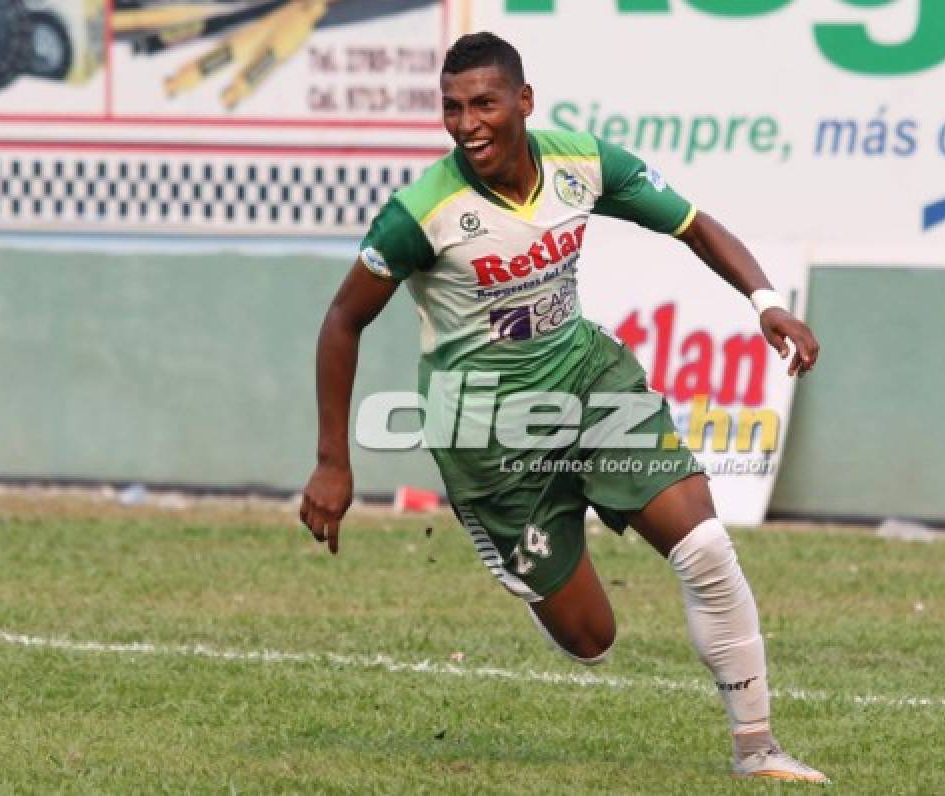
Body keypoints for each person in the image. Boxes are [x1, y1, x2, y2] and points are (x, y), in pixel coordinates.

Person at [299, 32, 826, 784]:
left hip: (589, 386)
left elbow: (692, 224)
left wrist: (765, 301)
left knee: (706, 549)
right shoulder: (421, 212)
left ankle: (757, 749)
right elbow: (342, 321)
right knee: (592, 641)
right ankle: (530, 547)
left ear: (524, 101)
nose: (467, 123)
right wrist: (331, 461)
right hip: (487, 437)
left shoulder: (581, 163)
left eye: (483, 103)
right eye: (451, 108)